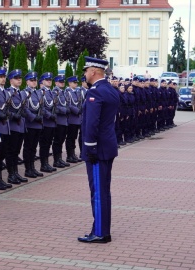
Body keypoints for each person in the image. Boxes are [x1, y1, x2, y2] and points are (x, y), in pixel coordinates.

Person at [77, 57, 120, 244]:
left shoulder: (96, 92)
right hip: (107, 146)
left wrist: (90, 147)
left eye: (86, 70)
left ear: (94, 71)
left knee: (98, 192)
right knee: (103, 190)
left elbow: (92, 123)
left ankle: (101, 233)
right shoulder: (110, 90)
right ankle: (101, 228)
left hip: (98, 149)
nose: (85, 74)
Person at [22, 71, 45, 178]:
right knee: (28, 147)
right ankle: (28, 169)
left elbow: (42, 107)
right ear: (27, 82)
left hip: (38, 124)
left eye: (35, 80)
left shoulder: (38, 93)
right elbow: (25, 108)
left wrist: (41, 116)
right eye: (31, 80)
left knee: (34, 148)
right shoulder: (24, 93)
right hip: (30, 124)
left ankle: (32, 168)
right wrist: (34, 117)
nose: (34, 82)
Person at [65, 76, 83, 161]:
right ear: (69, 83)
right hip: (71, 118)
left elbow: (79, 102)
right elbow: (68, 104)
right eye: (74, 82)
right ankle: (69, 155)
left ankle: (73, 154)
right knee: (70, 137)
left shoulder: (76, 92)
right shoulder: (67, 92)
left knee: (74, 137)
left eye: (76, 82)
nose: (76, 84)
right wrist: (77, 110)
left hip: (77, 119)